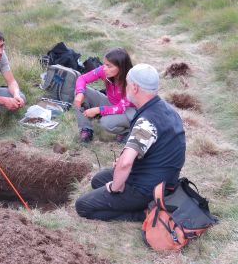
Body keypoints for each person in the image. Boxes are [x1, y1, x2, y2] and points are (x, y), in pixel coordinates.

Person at [75, 64, 186, 221]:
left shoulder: (147, 122)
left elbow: (126, 163)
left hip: (147, 189)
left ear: (134, 87)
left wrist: (115, 188)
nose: (125, 88)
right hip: (164, 181)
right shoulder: (167, 110)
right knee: (98, 180)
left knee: (83, 206)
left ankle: (142, 214)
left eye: (127, 84)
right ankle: (140, 204)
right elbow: (153, 149)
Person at [74, 47, 136, 143]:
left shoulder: (130, 81)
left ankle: (126, 132)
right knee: (81, 92)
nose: (104, 68)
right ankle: (86, 129)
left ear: (121, 67)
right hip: (111, 102)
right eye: (105, 64)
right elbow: (82, 79)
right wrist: (80, 93)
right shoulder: (104, 71)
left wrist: (98, 110)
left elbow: (120, 108)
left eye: (109, 66)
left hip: (128, 111)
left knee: (106, 123)